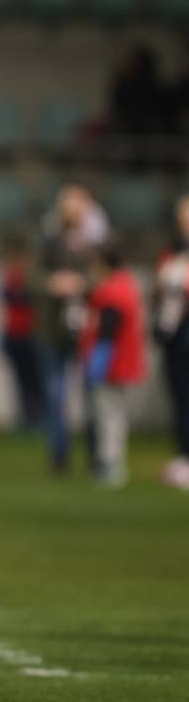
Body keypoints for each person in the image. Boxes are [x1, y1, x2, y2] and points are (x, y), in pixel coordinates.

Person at [36, 183, 109, 473]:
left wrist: (80, 283)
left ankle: (96, 456)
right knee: (56, 396)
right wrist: (53, 282)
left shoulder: (94, 244)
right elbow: (33, 275)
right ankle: (59, 456)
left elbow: (103, 275)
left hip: (86, 330)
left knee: (93, 395)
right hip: (53, 329)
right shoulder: (48, 240)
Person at [80, 246, 147, 488]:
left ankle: (110, 464)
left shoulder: (112, 289)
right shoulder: (128, 284)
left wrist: (99, 360)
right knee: (116, 414)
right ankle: (113, 463)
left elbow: (109, 327)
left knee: (108, 414)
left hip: (114, 363)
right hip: (125, 362)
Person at [154, 194, 189, 490]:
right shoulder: (172, 249)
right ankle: (182, 457)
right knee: (179, 396)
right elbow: (160, 289)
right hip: (174, 332)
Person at [0, 238, 46, 432]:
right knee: (21, 381)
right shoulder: (10, 275)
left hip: (30, 335)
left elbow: (30, 298)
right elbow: (7, 296)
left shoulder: (29, 276)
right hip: (14, 335)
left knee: (35, 380)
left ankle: (37, 418)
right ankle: (26, 418)